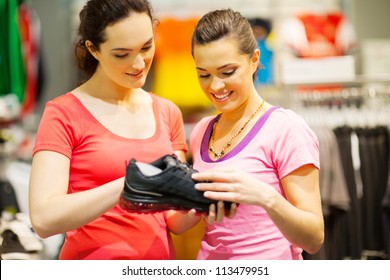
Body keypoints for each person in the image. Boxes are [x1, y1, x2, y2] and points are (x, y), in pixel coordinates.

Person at [28, 0, 206, 260]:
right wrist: (131, 182)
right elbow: (44, 219)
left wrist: (200, 204)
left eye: (146, 47)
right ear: (93, 49)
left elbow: (172, 220)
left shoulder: (167, 112)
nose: (138, 64)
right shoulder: (64, 113)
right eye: (122, 54)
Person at [188, 8, 325, 260]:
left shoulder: (286, 129)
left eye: (227, 72)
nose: (215, 86)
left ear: (253, 60)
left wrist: (266, 197)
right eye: (203, 74)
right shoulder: (201, 130)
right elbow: (182, 223)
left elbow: (314, 238)